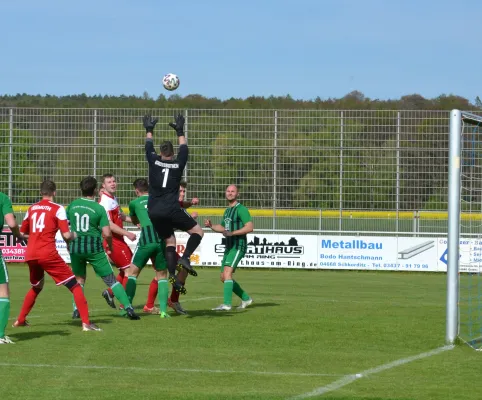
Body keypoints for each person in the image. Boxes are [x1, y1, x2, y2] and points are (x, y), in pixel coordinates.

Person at [13, 180, 100, 331]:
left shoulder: (32, 208)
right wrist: (74, 234)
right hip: (47, 253)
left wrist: (36, 236)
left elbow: (22, 233)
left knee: (36, 286)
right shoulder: (58, 209)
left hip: (31, 254)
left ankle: (20, 320)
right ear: (55, 192)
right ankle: (86, 323)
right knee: (75, 285)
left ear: (41, 192)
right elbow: (66, 235)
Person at [143, 114, 204, 292]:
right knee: (197, 231)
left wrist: (149, 130)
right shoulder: (178, 164)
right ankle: (185, 258)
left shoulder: (153, 161)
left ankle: (172, 276)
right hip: (170, 209)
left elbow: (148, 147)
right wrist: (180, 131)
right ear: (173, 153)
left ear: (161, 153)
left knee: (170, 241)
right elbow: (185, 149)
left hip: (153, 211)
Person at [67, 176, 140, 320]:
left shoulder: (72, 205)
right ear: (96, 190)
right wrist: (110, 246)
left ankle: (77, 310)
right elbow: (107, 233)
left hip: (76, 248)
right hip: (94, 249)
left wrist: (69, 241)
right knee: (111, 280)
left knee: (79, 280)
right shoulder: (99, 208)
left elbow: (65, 224)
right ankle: (128, 308)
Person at [125, 178, 170, 318]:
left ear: (137, 190)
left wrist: (138, 222)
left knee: (132, 273)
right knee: (162, 275)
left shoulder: (134, 203)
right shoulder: (159, 200)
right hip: (160, 239)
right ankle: (163, 311)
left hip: (146, 240)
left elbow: (134, 220)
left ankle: (127, 308)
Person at [204, 185, 254, 311]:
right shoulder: (227, 211)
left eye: (233, 191)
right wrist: (211, 226)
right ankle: (246, 298)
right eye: (228, 191)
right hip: (229, 246)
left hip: (238, 246)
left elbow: (249, 227)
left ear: (238, 194)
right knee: (223, 277)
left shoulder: (241, 209)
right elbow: (223, 228)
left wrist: (233, 233)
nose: (230, 193)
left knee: (227, 274)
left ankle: (226, 304)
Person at [98, 173, 137, 309]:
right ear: (103, 185)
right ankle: (124, 305)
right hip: (113, 240)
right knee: (130, 271)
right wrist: (128, 233)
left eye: (114, 181)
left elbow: (121, 217)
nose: (113, 184)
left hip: (119, 240)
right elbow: (108, 224)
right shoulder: (105, 201)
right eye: (109, 182)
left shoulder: (113, 198)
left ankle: (110, 293)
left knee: (126, 270)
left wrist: (137, 221)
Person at [167, 181, 199, 315]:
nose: (182, 193)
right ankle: (149, 305)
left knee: (184, 269)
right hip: (159, 244)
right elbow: (166, 227)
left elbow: (182, 204)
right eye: (180, 191)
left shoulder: (176, 204)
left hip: (168, 245)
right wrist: (188, 220)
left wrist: (190, 203)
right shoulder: (167, 205)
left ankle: (173, 300)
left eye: (184, 191)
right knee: (160, 276)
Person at [0, 192, 25, 344]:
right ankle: (0, 334)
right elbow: (12, 223)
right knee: (3, 291)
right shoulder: (2, 198)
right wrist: (18, 235)